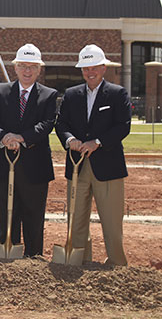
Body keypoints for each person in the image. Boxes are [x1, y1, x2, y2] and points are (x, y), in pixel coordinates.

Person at [55, 44, 130, 266]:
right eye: (86, 68)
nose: (90, 72)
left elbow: (123, 126)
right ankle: (79, 261)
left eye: (94, 67)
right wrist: (70, 140)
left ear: (103, 67)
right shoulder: (71, 94)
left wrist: (97, 142)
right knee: (76, 219)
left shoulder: (117, 94)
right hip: (77, 166)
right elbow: (62, 124)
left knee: (111, 221)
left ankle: (117, 265)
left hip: (108, 167)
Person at [0, 43, 57, 257]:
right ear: (15, 68)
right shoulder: (1, 91)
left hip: (35, 167)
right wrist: (4, 136)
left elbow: (46, 124)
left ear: (39, 69)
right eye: (23, 66)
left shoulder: (49, 95)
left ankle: (33, 257)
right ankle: (8, 253)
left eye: (32, 67)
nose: (27, 71)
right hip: (4, 164)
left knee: (34, 216)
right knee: (7, 214)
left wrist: (21, 137)